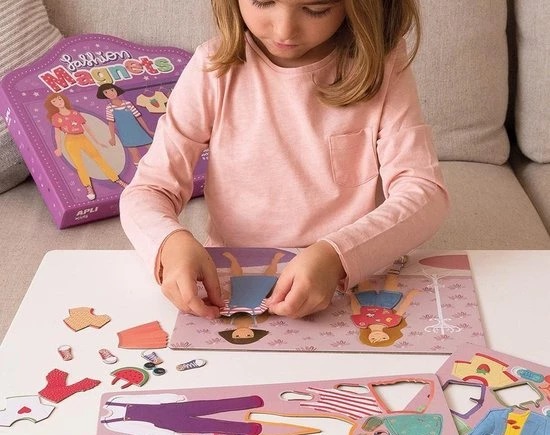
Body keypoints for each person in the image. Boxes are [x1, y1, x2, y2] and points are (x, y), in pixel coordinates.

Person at [120, 0, 449, 320]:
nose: (284, 30)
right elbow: (148, 190)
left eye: (316, 9)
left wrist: (338, 255)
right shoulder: (213, 67)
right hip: (231, 282)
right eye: (263, 2)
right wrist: (169, 243)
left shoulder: (383, 64)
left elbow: (425, 193)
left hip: (347, 280)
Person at [44, 93, 127, 200]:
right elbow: (57, 134)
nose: (58, 102)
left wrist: (97, 141)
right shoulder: (56, 117)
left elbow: (86, 128)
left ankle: (117, 180)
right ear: (52, 105)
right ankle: (88, 187)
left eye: (59, 99)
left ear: (63, 99)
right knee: (80, 165)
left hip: (83, 137)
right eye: (54, 102)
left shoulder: (75, 113)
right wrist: (59, 148)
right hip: (70, 140)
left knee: (99, 159)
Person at [96, 84, 154, 166]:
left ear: (116, 90)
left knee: (152, 149)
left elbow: (138, 117)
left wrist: (147, 130)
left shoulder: (128, 104)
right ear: (104, 95)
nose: (110, 93)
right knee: (135, 154)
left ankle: (158, 166)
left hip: (138, 131)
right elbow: (111, 123)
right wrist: (113, 137)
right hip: (125, 134)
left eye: (112, 90)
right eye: (106, 92)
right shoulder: (109, 108)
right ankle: (141, 170)